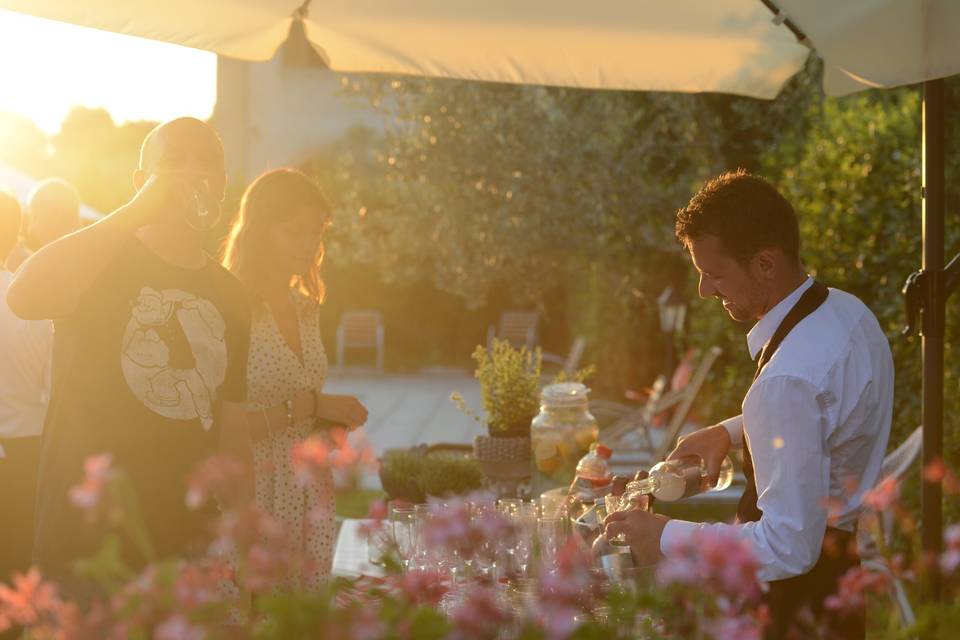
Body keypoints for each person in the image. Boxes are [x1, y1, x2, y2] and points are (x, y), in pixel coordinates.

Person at [604, 170, 893, 639]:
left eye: (714, 274)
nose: (704, 291)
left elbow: (786, 547)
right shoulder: (848, 314)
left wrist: (665, 536)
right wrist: (730, 432)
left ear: (764, 264)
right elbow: (827, 409)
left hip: (794, 610)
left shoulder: (786, 379)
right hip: (840, 589)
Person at [6, 118, 252, 595]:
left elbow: (232, 429)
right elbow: (23, 296)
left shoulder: (232, 295)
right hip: (85, 551)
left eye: (207, 163)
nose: (192, 172)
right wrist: (135, 212)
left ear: (222, 185)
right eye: (173, 160)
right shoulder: (98, 262)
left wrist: (248, 543)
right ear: (141, 182)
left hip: (184, 551)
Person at [222, 168, 368, 588]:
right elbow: (216, 430)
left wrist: (325, 424)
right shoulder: (230, 307)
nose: (310, 244)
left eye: (316, 232)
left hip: (304, 494)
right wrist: (309, 406)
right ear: (260, 232)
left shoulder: (306, 306)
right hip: (251, 495)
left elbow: (296, 398)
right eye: (295, 231)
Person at [0, 191, 52, 587]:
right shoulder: (33, 305)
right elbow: (49, 390)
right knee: (16, 571)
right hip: (25, 451)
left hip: (20, 448)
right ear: (16, 234)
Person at [4, 178, 81, 272]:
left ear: (54, 214)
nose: (31, 230)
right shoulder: (91, 255)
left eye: (35, 217)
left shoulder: (67, 269)